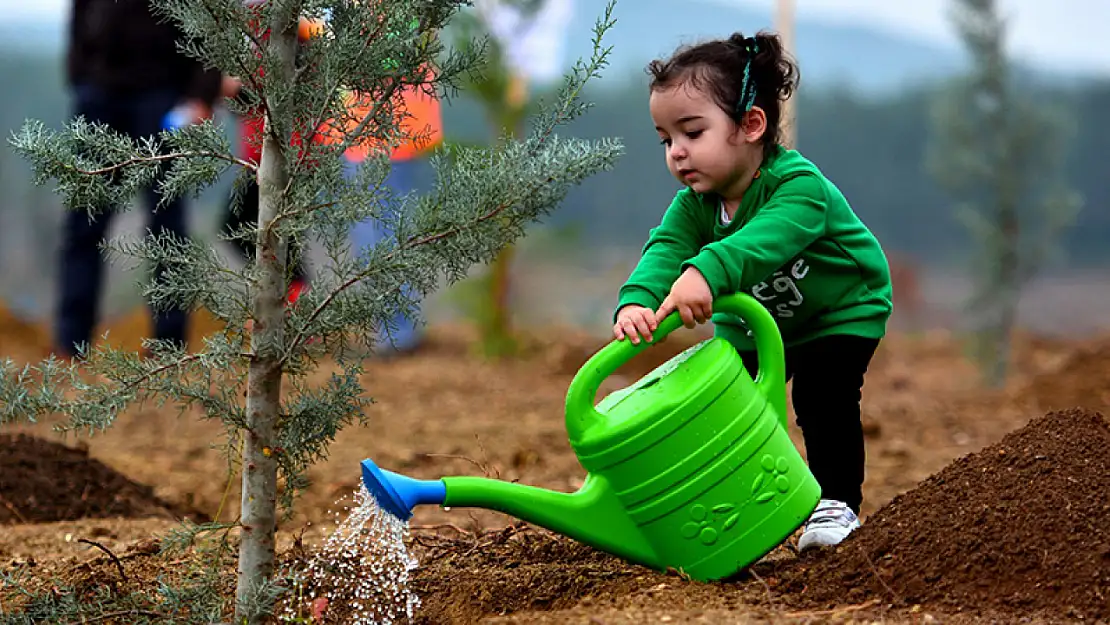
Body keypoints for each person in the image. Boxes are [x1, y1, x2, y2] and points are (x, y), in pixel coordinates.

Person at [611, 31, 893, 552]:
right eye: (666, 139)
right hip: (755, 321)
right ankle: (734, 512)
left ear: (751, 125)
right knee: (726, 404)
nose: (677, 152)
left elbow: (763, 243)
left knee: (820, 395)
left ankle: (836, 505)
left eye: (692, 132)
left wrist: (705, 272)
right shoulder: (695, 205)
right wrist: (638, 298)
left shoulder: (798, 187)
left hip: (837, 312)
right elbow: (666, 247)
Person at [58, 0, 222, 358]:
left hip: (163, 98)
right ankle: (70, 342)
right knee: (84, 221)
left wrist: (200, 96)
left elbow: (210, 26)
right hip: (99, 95)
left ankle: (169, 346)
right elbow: (79, 15)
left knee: (167, 225)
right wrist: (80, 78)